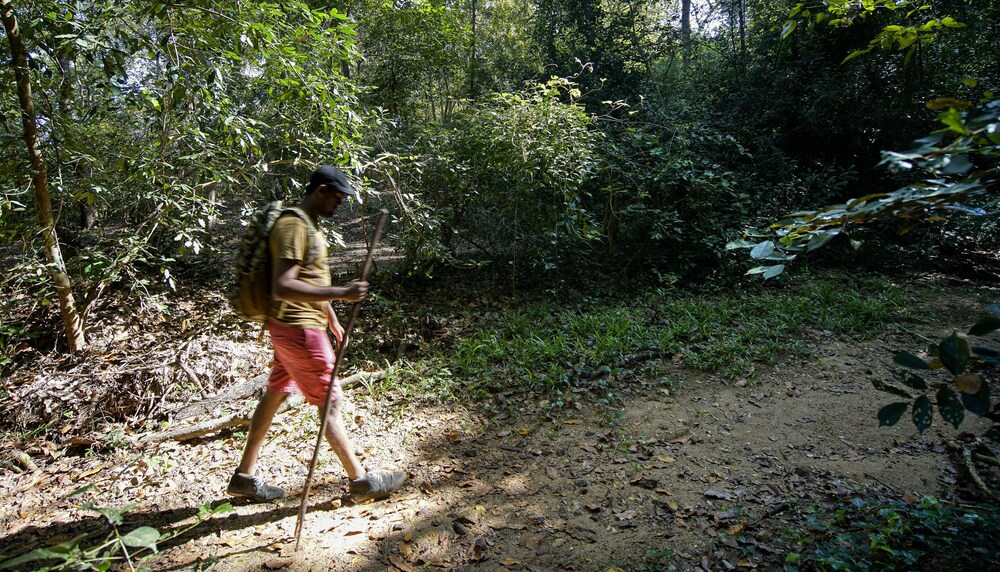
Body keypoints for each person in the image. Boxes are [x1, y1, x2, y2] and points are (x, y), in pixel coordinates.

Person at [227, 165, 405, 503]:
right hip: (299, 330)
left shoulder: (307, 225)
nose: (339, 204)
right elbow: (283, 286)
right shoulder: (294, 226)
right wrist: (342, 293)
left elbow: (309, 279)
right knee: (329, 402)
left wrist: (330, 316)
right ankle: (361, 481)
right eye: (337, 197)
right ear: (321, 190)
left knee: (275, 392)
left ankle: (244, 477)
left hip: (296, 326)